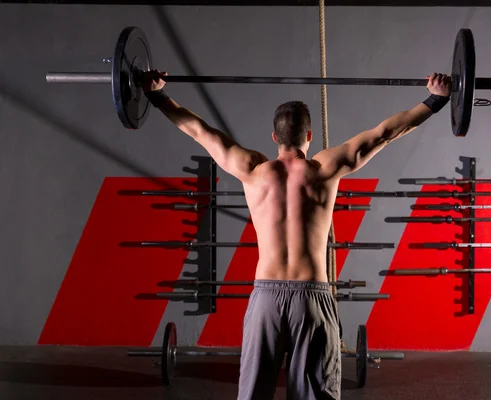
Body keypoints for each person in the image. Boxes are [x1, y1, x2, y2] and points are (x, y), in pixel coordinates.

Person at [142, 71, 451, 399]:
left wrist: (156, 94)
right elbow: (384, 134)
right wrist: (436, 99)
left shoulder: (251, 170)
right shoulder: (325, 168)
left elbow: (198, 131)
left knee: (253, 394)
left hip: (265, 300)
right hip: (311, 297)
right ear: (309, 135)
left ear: (274, 137)